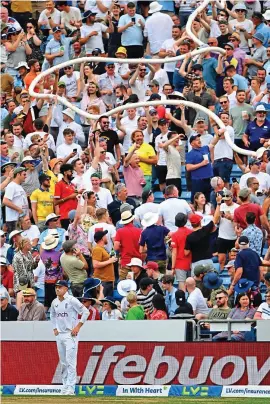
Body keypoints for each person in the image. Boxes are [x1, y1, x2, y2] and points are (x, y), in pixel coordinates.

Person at [50, 279, 89, 395]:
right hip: (60, 335)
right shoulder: (54, 302)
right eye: (56, 287)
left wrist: (78, 327)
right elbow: (52, 315)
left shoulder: (72, 300)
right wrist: (54, 328)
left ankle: (71, 388)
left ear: (66, 288)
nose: (57, 289)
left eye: (60, 287)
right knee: (63, 362)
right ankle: (65, 386)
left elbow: (86, 312)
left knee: (71, 362)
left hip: (70, 334)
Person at [186, 133, 218, 202]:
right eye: (196, 140)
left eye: (199, 139)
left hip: (208, 179)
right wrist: (201, 164)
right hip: (198, 181)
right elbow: (188, 167)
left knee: (207, 200)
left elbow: (213, 143)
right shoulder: (190, 154)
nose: (199, 141)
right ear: (192, 144)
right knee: (197, 200)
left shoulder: (204, 148)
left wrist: (218, 135)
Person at [114, 211, 142, 280]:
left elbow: (116, 247)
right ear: (132, 220)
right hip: (137, 262)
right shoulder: (140, 231)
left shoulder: (120, 231)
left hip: (125, 261)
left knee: (123, 285)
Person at [3, 167, 28, 232]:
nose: (26, 176)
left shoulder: (19, 186)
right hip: (13, 220)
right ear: (18, 175)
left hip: (20, 219)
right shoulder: (11, 186)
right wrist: (19, 209)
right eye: (24, 174)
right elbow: (5, 201)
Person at [41, 234, 62, 311]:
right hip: (56, 281)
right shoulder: (58, 254)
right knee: (57, 301)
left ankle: (41, 318)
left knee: (47, 302)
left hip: (47, 280)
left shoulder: (42, 254)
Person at [171, 213, 192, 291]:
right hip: (191, 262)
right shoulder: (191, 232)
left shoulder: (175, 235)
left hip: (180, 264)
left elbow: (174, 252)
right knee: (191, 286)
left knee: (182, 287)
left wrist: (173, 267)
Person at [92, 230, 116, 297]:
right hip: (103, 281)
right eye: (105, 236)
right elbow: (95, 264)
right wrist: (110, 261)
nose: (107, 237)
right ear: (102, 238)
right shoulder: (97, 249)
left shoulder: (102, 248)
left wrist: (111, 259)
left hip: (107, 280)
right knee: (104, 302)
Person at [54, 164, 78, 230]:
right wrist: (69, 197)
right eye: (70, 171)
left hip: (75, 216)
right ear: (65, 172)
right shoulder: (59, 185)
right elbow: (55, 202)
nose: (72, 173)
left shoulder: (73, 185)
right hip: (65, 216)